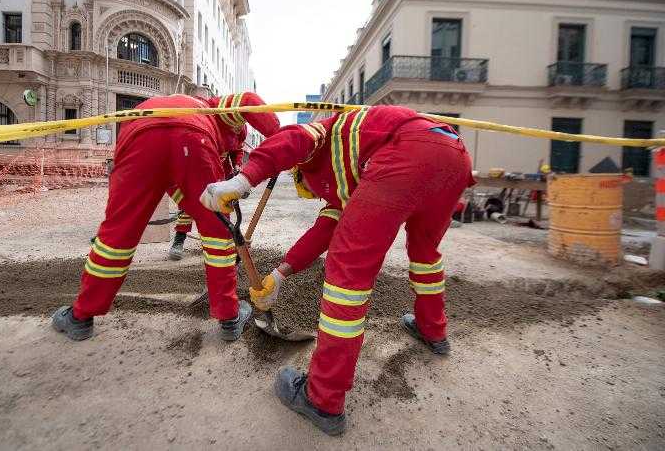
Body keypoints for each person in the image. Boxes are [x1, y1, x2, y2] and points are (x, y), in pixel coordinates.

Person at [201, 105, 473, 435]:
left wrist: (243, 179)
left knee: (348, 272)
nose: (313, 194)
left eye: (307, 187)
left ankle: (322, 400)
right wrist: (280, 274)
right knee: (425, 253)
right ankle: (433, 331)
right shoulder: (353, 168)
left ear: (303, 171)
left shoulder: (322, 135)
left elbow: (291, 137)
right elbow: (325, 228)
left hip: (407, 151)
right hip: (452, 154)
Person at [52, 92, 279, 342]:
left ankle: (81, 316)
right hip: (195, 139)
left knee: (117, 236)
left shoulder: (165, 105)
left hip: (138, 137)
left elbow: (171, 176)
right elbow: (248, 99)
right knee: (217, 235)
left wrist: (207, 197)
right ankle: (229, 318)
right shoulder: (213, 109)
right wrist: (278, 137)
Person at [168, 131, 246, 261]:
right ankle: (179, 240)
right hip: (198, 171)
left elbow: (237, 149)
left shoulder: (238, 127)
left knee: (221, 210)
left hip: (220, 173)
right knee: (188, 206)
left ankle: (222, 244)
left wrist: (237, 164)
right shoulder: (207, 123)